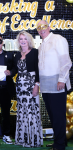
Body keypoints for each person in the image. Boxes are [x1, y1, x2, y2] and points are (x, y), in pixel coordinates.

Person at [37, 20, 72, 150]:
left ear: (49, 27)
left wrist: (62, 80)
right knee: (53, 115)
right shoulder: (41, 46)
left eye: (43, 26)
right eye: (38, 28)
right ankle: (60, 141)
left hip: (57, 83)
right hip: (45, 86)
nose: (41, 29)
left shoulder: (58, 39)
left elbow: (66, 62)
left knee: (58, 116)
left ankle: (59, 145)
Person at [14, 31, 43, 147]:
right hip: (20, 87)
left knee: (32, 112)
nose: (22, 41)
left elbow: (38, 69)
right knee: (22, 112)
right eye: (20, 39)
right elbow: (14, 70)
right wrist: (8, 72)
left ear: (29, 40)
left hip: (31, 85)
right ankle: (22, 139)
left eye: (24, 38)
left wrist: (37, 85)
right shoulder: (17, 55)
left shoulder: (35, 52)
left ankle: (33, 140)